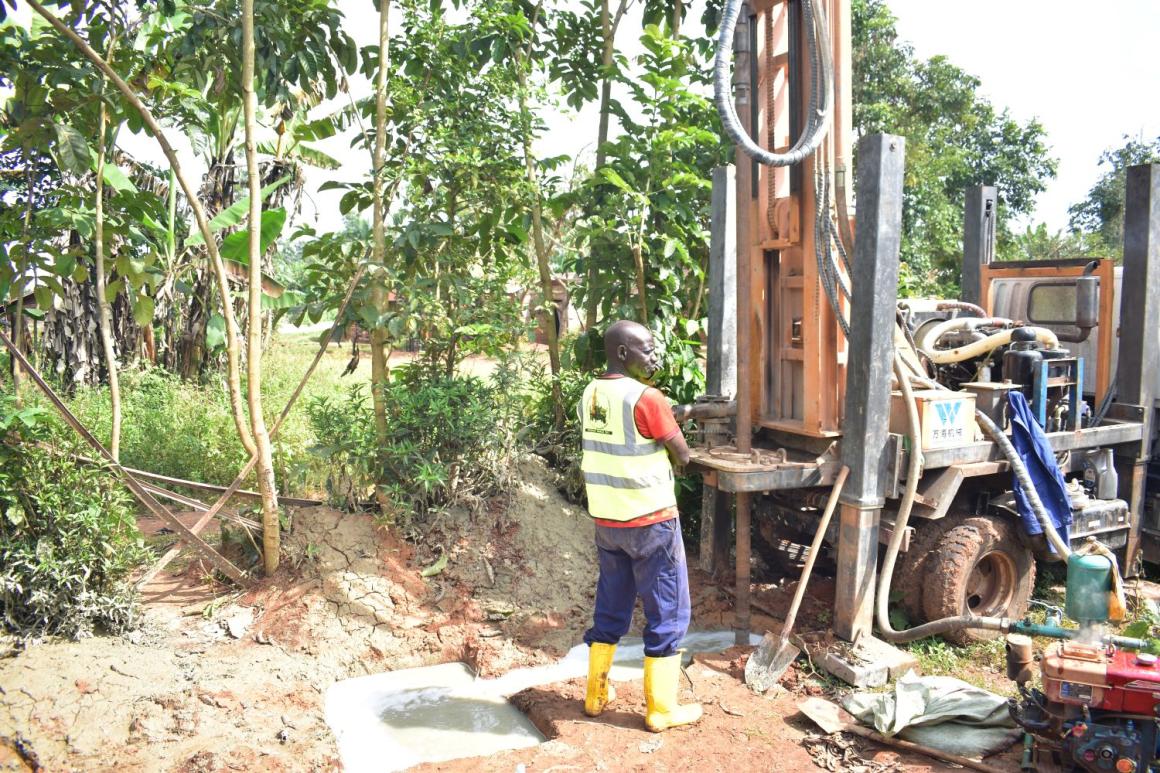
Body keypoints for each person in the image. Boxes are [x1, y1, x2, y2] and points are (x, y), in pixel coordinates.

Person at [578, 320, 702, 732]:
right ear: (622, 353)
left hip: (608, 521)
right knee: (668, 609)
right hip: (650, 522)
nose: (654, 356)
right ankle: (662, 710)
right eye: (646, 350)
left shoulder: (591, 393)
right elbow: (682, 455)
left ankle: (596, 694)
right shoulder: (647, 398)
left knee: (612, 605)